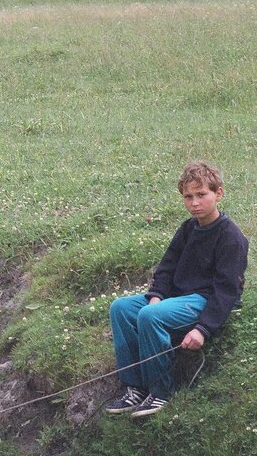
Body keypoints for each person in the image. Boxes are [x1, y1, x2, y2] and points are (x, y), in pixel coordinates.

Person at [105, 161, 248, 417]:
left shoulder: (231, 237)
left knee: (150, 316)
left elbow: (227, 291)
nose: (195, 203)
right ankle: (135, 387)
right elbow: (167, 267)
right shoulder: (187, 229)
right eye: (188, 197)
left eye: (201, 195)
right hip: (176, 298)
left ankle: (161, 392)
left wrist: (202, 329)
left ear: (218, 193)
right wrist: (156, 295)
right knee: (121, 308)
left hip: (202, 301)